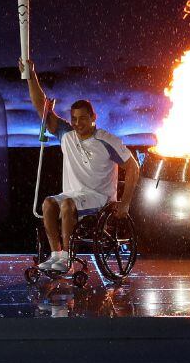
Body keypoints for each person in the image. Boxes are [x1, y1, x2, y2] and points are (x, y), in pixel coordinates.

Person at [20, 59, 140, 272]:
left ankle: (67, 257)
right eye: (74, 119)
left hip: (100, 198)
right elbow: (43, 109)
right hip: (75, 195)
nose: (77, 123)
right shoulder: (66, 135)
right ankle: (56, 255)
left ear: (94, 118)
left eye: (83, 119)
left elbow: (133, 167)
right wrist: (31, 76)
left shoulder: (107, 140)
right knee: (48, 203)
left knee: (67, 204)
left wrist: (125, 202)